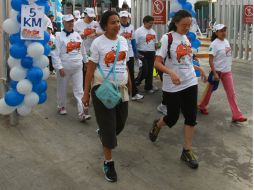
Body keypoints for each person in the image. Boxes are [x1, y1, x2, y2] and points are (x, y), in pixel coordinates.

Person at [149, 10, 206, 169]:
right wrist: (171, 72)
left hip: (189, 82)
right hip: (172, 85)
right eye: (184, 25)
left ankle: (187, 150)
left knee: (191, 117)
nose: (187, 28)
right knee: (172, 118)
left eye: (189, 25)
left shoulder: (187, 39)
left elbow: (186, 62)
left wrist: (198, 69)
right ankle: (158, 125)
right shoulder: (167, 38)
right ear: (176, 23)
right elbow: (157, 63)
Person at [82, 11, 131, 182]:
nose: (117, 24)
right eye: (113, 22)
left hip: (121, 87)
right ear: (104, 26)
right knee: (110, 128)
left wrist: (130, 85)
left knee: (121, 123)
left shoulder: (123, 41)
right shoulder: (97, 43)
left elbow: (125, 65)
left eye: (118, 21)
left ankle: (103, 132)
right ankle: (108, 162)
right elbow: (89, 70)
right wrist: (86, 93)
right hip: (102, 89)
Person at [198, 24, 247, 123]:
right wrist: (215, 73)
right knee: (209, 91)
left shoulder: (226, 42)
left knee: (231, 93)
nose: (224, 32)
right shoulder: (214, 44)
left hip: (227, 72)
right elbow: (211, 60)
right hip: (217, 72)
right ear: (216, 33)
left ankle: (237, 115)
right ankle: (202, 106)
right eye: (221, 31)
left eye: (224, 30)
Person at [51, 14, 91, 121]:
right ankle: (61, 106)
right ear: (63, 23)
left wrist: (86, 61)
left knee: (79, 90)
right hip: (64, 67)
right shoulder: (58, 36)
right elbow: (54, 53)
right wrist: (59, 67)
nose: (71, 24)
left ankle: (82, 112)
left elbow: (83, 50)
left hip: (78, 67)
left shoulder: (77, 35)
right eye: (68, 22)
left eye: (72, 21)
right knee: (62, 88)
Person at [74, 8, 104, 89]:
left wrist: (95, 33)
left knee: (94, 72)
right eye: (89, 16)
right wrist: (81, 35)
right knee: (84, 73)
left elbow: (104, 33)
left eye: (92, 16)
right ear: (85, 14)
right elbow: (72, 36)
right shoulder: (77, 24)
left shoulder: (96, 24)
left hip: (94, 52)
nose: (91, 18)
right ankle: (84, 91)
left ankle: (93, 89)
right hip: (81, 52)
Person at [119, 10, 144, 101]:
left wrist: (136, 52)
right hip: (120, 54)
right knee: (121, 73)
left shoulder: (131, 27)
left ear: (128, 17)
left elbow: (133, 40)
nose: (123, 19)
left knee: (131, 73)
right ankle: (121, 93)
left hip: (129, 53)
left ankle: (134, 93)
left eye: (125, 17)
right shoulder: (117, 27)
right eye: (122, 17)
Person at [134, 15, 158, 93]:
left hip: (152, 53)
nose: (151, 25)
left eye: (152, 23)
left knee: (150, 71)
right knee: (145, 70)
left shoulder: (153, 31)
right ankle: (136, 82)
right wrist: (136, 54)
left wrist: (158, 47)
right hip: (142, 53)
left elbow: (156, 43)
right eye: (150, 23)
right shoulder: (138, 31)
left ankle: (148, 87)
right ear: (144, 22)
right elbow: (135, 43)